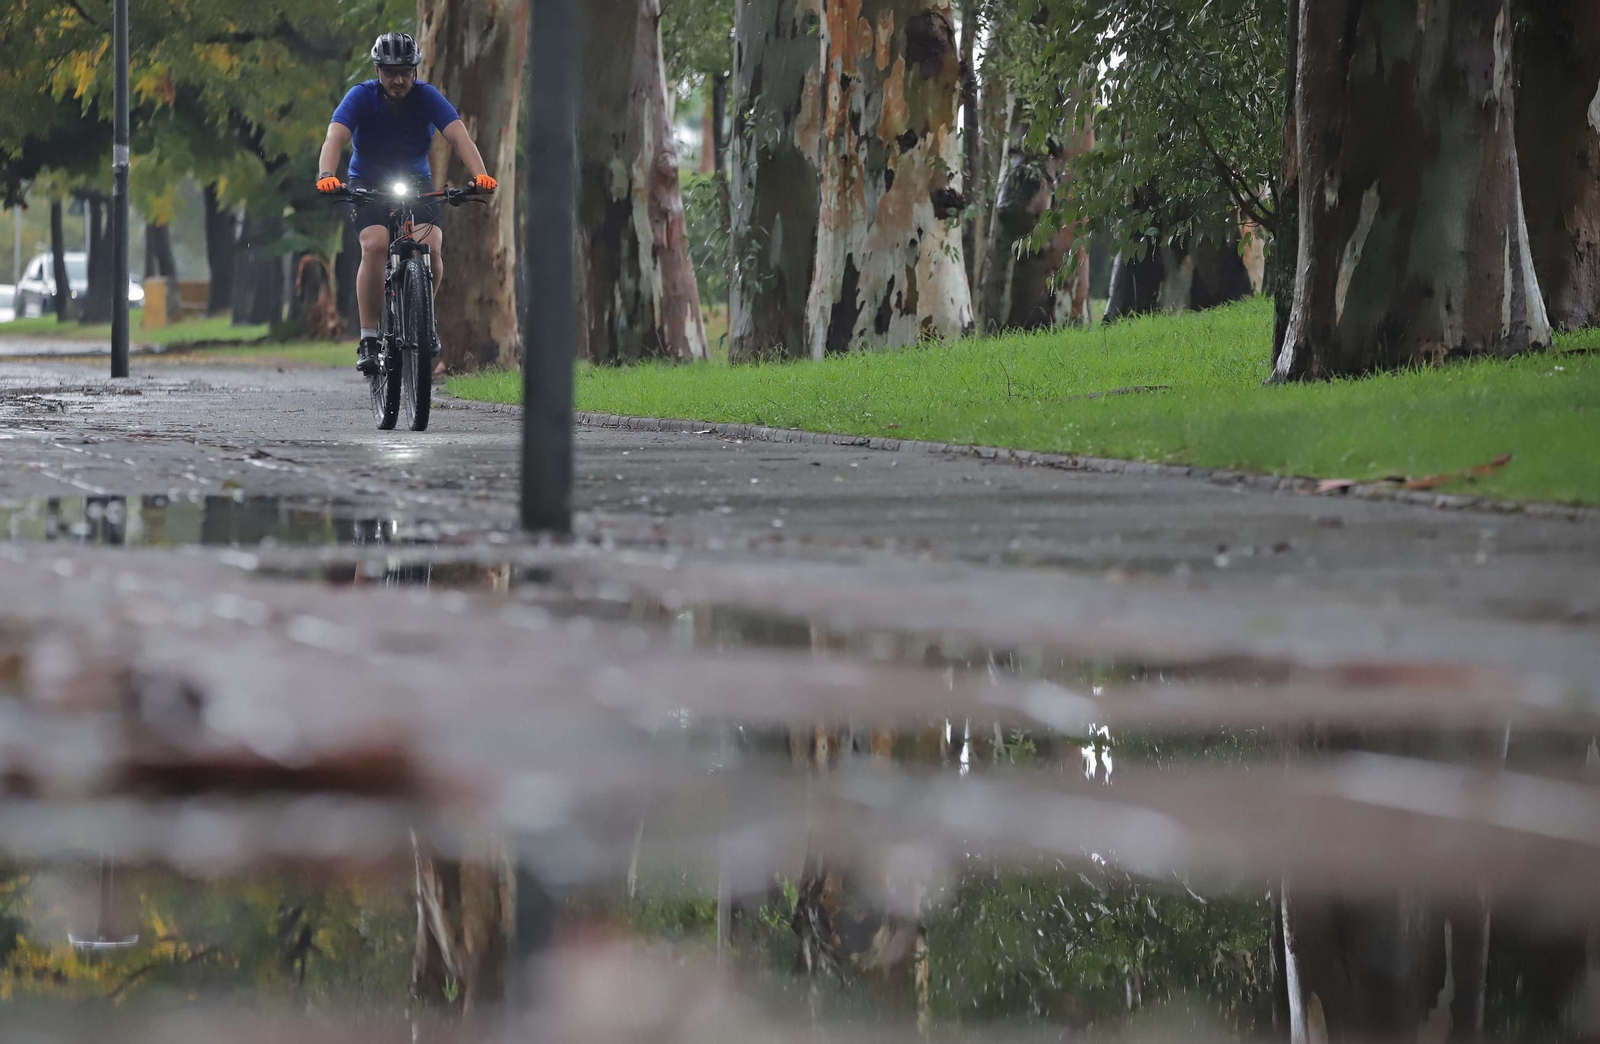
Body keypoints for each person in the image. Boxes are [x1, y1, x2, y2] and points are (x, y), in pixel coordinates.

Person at [315, 32, 497, 375]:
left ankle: (423, 317)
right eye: (390, 72)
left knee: (432, 246)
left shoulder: (427, 97)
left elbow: (460, 137)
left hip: (415, 181)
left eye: (404, 72)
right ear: (378, 70)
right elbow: (335, 138)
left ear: (415, 70)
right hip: (367, 182)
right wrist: (327, 174)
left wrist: (481, 175)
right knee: (375, 244)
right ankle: (369, 338)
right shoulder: (361, 96)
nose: (398, 79)